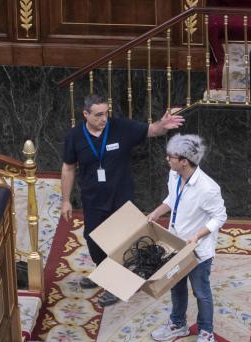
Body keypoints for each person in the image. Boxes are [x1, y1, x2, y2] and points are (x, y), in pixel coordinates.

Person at [60, 94, 185, 307]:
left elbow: (151, 130)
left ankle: (116, 285)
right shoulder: (75, 137)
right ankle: (104, 272)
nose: (104, 119)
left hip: (121, 199)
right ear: (85, 115)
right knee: (94, 241)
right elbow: (68, 168)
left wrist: (163, 124)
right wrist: (65, 200)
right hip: (93, 199)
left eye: (106, 113)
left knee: (123, 243)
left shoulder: (121, 127)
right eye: (98, 115)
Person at [147, 134, 227, 342]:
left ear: (184, 160)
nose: (167, 159)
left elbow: (220, 216)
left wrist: (198, 236)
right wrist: (155, 213)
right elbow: (172, 198)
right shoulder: (174, 175)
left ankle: (206, 332)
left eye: (171, 156)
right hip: (175, 245)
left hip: (198, 250)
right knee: (176, 284)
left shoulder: (208, 188)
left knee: (201, 292)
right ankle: (178, 324)